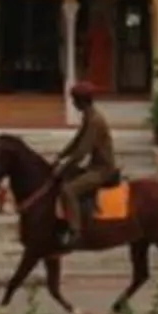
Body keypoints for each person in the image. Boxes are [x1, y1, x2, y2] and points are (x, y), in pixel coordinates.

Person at [46, 81, 117, 247]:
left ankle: (75, 230)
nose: (72, 103)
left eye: (74, 100)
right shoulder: (89, 116)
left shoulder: (95, 121)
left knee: (68, 189)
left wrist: (64, 166)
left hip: (102, 170)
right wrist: (60, 156)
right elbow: (76, 141)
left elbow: (82, 151)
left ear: (81, 101)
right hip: (93, 166)